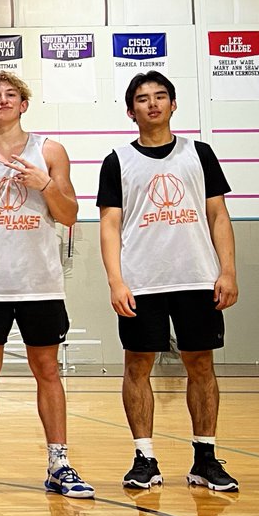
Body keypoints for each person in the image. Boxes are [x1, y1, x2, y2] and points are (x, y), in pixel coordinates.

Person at [0, 71, 93, 498]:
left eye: (11, 94)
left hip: (40, 283)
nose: (3, 100)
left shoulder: (49, 151)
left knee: (47, 370)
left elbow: (69, 215)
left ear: (24, 104)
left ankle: (59, 463)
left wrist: (45, 184)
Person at [98, 71, 239, 492]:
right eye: (143, 99)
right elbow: (109, 225)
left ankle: (205, 458)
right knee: (137, 366)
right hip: (142, 282)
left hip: (196, 277)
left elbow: (218, 215)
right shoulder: (118, 160)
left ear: (173, 105)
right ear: (131, 111)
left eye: (161, 97)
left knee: (201, 365)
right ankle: (145, 458)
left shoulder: (200, 153)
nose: (153, 104)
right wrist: (116, 281)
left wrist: (227, 270)